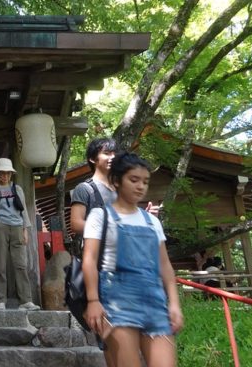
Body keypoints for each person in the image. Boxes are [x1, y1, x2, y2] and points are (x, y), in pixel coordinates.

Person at [82, 153, 184, 367]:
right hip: (118, 303)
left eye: (145, 182)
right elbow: (89, 260)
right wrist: (93, 301)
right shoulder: (100, 216)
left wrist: (174, 303)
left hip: (155, 303)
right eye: (134, 180)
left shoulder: (152, 222)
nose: (140, 187)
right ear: (117, 181)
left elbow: (165, 265)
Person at [0, 157, 40, 311]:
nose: (5, 176)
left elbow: (24, 211)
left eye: (7, 173)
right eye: (2, 173)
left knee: (21, 264)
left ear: (11, 174)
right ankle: (0, 300)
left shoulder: (18, 189)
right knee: (0, 264)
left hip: (17, 227)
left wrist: (25, 230)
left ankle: (26, 300)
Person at [69, 138, 118, 237]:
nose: (113, 157)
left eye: (114, 154)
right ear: (92, 159)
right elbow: (76, 224)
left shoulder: (122, 188)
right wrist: (108, 228)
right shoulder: (84, 189)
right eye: (107, 153)